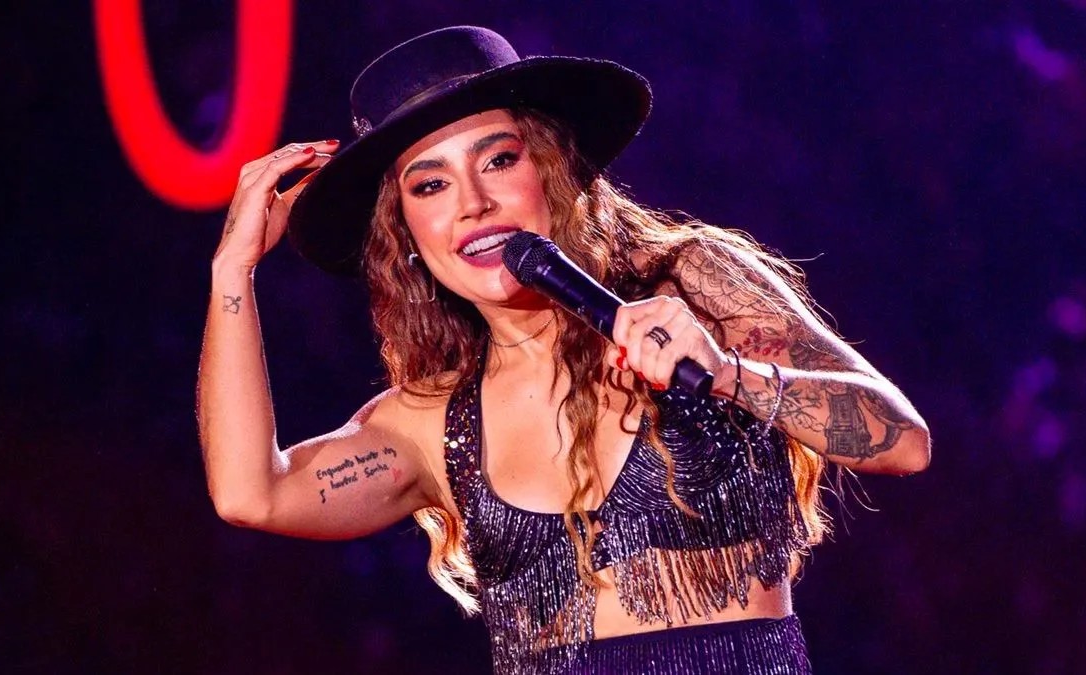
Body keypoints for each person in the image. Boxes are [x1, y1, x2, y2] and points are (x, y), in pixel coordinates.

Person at [198, 26, 930, 675]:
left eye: (498, 160)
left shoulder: (695, 283)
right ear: (407, 236)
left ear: (550, 170)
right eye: (431, 185)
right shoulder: (431, 421)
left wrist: (729, 373)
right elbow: (250, 493)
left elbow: (904, 441)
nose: (473, 203)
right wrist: (233, 272)